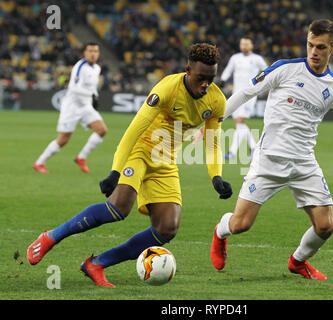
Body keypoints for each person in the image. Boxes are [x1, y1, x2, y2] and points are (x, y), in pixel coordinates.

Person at [27, 43, 232, 287]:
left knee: (167, 228)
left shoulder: (217, 99)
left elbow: (213, 141)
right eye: (201, 78)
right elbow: (134, 129)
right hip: (141, 149)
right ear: (188, 69)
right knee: (119, 208)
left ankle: (97, 263)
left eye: (211, 79)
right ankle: (51, 237)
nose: (205, 85)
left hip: (166, 161)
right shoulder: (167, 88)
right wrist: (115, 170)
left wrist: (216, 176)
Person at [210, 19, 333, 280]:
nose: (314, 52)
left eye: (321, 47)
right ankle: (220, 232)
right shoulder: (285, 69)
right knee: (241, 224)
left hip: (304, 164)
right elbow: (246, 92)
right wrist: (217, 118)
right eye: (310, 45)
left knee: (325, 226)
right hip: (268, 160)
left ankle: (298, 262)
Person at [33, 43, 106, 174]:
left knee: (101, 130)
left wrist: (95, 97)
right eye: (90, 51)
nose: (93, 54)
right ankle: (39, 163)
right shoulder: (80, 67)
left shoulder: (96, 68)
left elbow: (92, 88)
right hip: (71, 107)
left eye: (96, 51)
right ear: (85, 53)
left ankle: (81, 157)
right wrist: (91, 95)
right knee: (63, 139)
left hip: (86, 106)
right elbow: (73, 88)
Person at [220, 37, 268, 160]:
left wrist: (262, 85)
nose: (244, 46)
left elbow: (267, 71)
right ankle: (254, 149)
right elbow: (227, 71)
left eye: (247, 44)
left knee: (240, 121)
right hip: (237, 94)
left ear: (252, 45)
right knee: (239, 124)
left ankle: (232, 152)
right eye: (242, 44)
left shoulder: (257, 59)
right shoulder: (235, 58)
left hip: (251, 94)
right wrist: (223, 82)